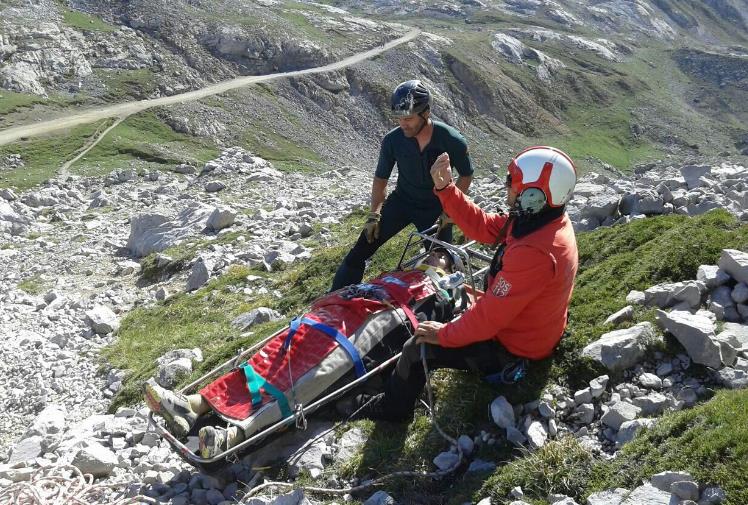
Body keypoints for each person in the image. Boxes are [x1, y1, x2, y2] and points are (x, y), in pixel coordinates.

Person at [144, 247, 465, 458]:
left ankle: (235, 435)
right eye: (433, 253)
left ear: (451, 269)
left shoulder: (438, 291)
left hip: (374, 324)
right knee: (272, 354)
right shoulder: (398, 274)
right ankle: (193, 405)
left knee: (314, 373)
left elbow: (429, 320)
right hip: (340, 311)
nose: (433, 257)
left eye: (441, 257)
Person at [354, 146, 579, 422]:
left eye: (514, 184)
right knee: (447, 301)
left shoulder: (536, 253)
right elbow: (483, 226)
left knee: (416, 348)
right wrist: (447, 188)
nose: (507, 188)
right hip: (525, 326)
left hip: (513, 347)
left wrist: (443, 335)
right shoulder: (543, 220)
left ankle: (393, 411)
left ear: (533, 196)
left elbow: (488, 320)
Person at [331, 79, 474, 291]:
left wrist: (451, 209)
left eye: (408, 118)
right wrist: (374, 215)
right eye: (399, 118)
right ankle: (332, 301)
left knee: (442, 262)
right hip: (402, 202)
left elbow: (466, 175)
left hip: (435, 209)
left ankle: (441, 311)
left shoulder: (451, 139)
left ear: (425, 113)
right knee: (359, 252)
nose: (403, 124)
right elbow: (381, 179)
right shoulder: (392, 140)